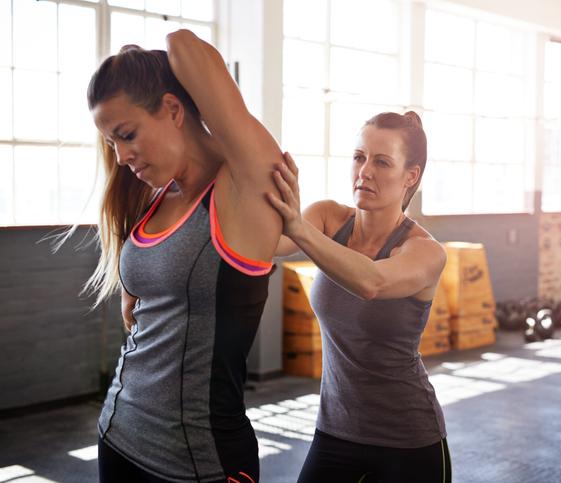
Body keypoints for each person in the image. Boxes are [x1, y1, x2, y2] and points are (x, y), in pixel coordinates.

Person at [86, 30, 282, 483]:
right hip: (118, 431)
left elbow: (185, 46)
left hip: (198, 461)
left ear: (173, 109)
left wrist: (134, 56)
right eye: (112, 142)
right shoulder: (160, 197)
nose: (120, 156)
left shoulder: (242, 188)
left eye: (127, 134)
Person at [269, 112, 452, 482]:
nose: (364, 171)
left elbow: (372, 283)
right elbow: (268, 243)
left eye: (382, 162)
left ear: (410, 175)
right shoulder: (326, 218)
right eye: (359, 157)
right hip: (335, 432)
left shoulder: (424, 251)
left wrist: (298, 230)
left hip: (408, 441)